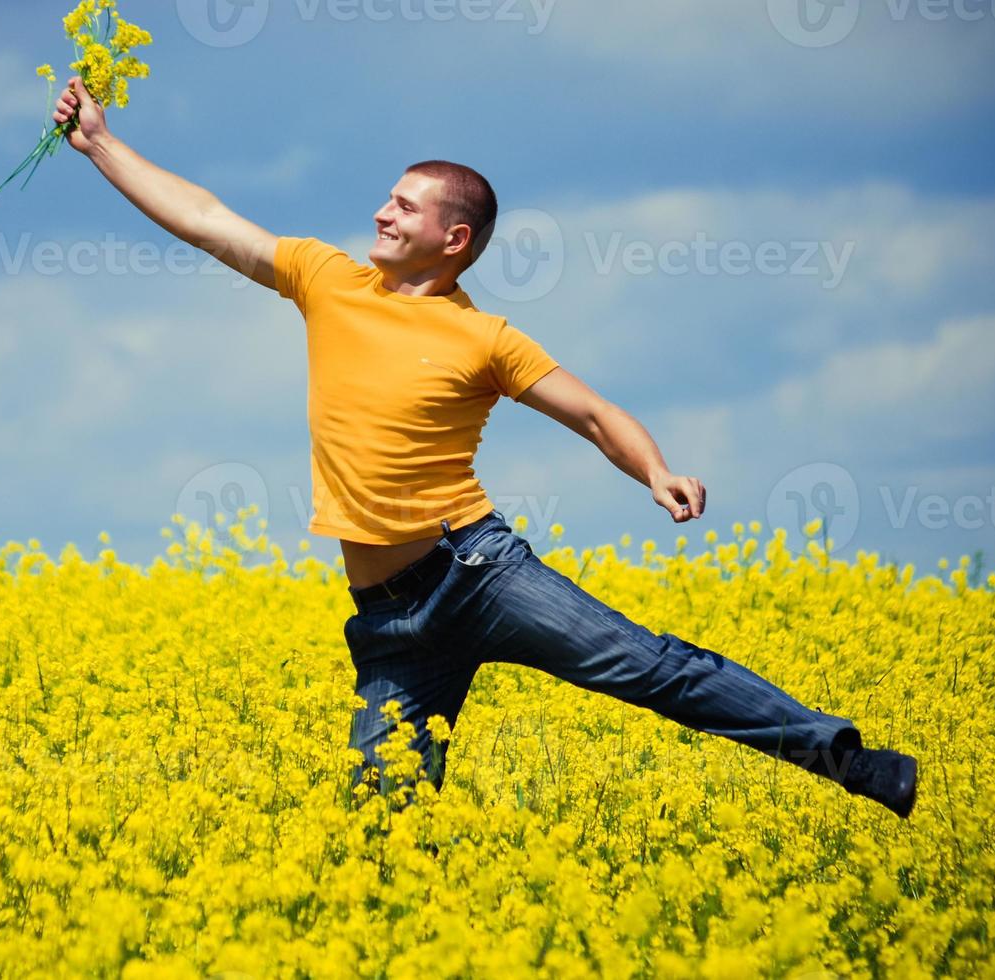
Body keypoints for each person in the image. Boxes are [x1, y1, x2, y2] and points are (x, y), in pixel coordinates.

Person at [50, 77, 918, 820]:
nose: (381, 213)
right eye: (387, 198)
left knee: (651, 668)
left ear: (452, 238)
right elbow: (206, 220)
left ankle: (853, 761)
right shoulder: (327, 280)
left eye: (403, 205)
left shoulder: (486, 339)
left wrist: (655, 470)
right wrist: (100, 146)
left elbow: (592, 414)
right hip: (391, 620)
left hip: (478, 573)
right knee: (381, 821)